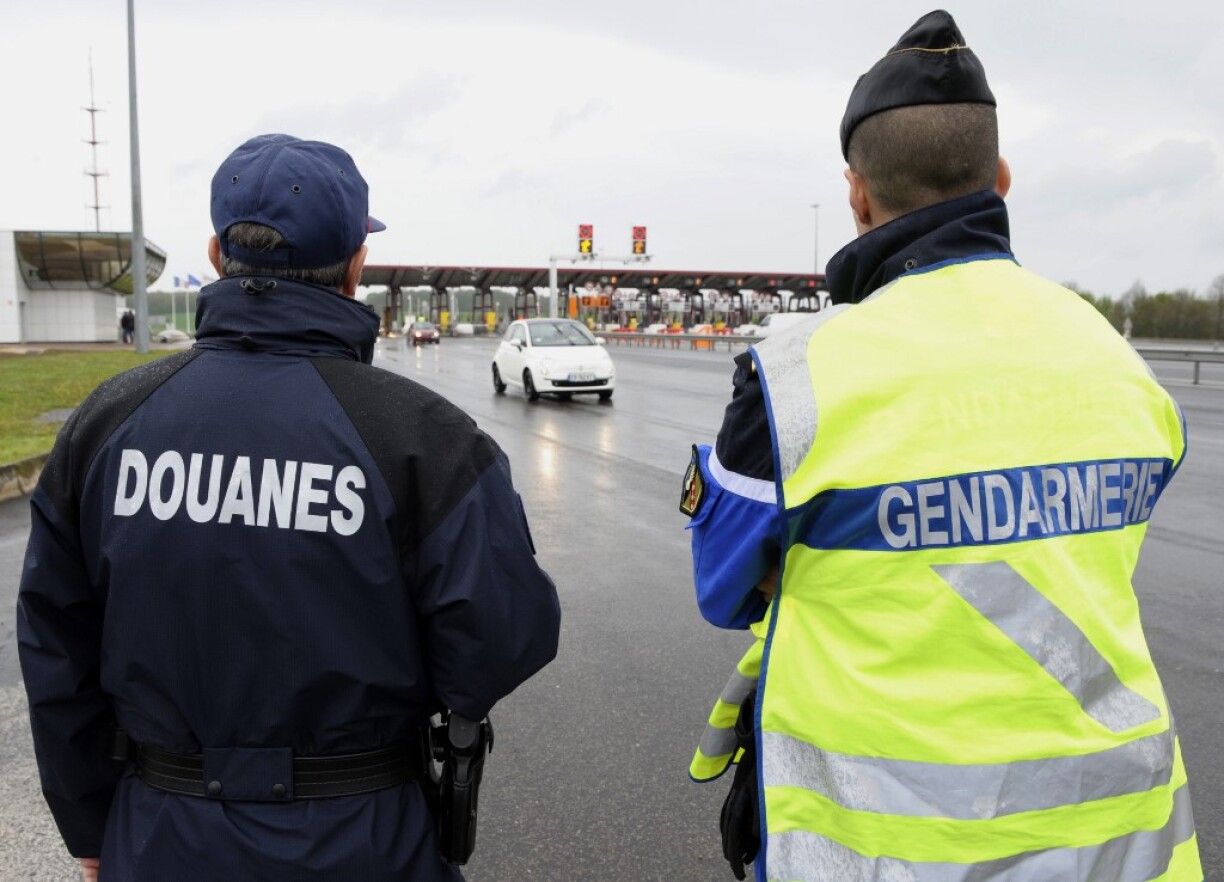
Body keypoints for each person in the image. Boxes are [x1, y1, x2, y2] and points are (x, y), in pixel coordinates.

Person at [681, 11, 1202, 881]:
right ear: (999, 179)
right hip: (1126, 851)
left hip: (884, 856)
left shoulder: (796, 379)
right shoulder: (1115, 358)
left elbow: (725, 588)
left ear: (856, 195)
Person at [17, 133, 562, 882]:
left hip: (160, 832)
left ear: (215, 256)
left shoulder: (107, 425)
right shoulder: (426, 440)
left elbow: (55, 646)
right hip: (366, 836)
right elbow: (504, 638)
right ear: (356, 267)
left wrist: (89, 826)